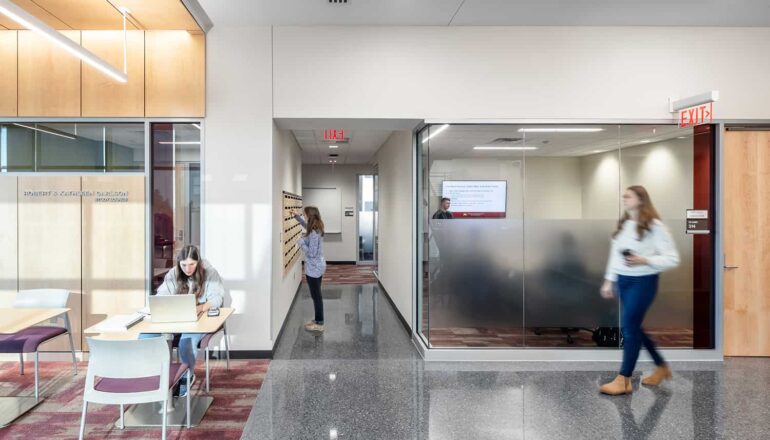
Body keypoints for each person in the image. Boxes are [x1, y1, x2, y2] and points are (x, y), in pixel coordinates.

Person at [599, 185, 680, 395]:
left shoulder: (654, 226)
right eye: (624, 196)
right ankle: (662, 366)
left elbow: (672, 258)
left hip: (643, 282)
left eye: (629, 196)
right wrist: (609, 281)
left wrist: (645, 259)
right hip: (622, 282)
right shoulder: (625, 224)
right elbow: (615, 256)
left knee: (629, 328)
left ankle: (623, 379)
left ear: (641, 200)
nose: (624, 198)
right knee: (634, 327)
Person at [142, 245, 225, 397]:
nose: (188, 269)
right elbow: (162, 294)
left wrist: (200, 308)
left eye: (192, 264)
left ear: (198, 262)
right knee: (145, 336)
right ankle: (152, 377)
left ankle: (185, 376)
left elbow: (217, 299)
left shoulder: (210, 273)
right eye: (184, 265)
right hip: (176, 318)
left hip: (199, 319)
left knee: (186, 341)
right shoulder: (174, 273)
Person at [293, 206, 327, 332]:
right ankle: (318, 320)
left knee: (316, 296)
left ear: (310, 216)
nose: (304, 217)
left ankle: (319, 323)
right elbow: (305, 224)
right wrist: (296, 216)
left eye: (305, 215)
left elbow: (311, 253)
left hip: (314, 267)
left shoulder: (313, 233)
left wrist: (301, 243)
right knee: (316, 295)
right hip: (317, 266)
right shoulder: (316, 227)